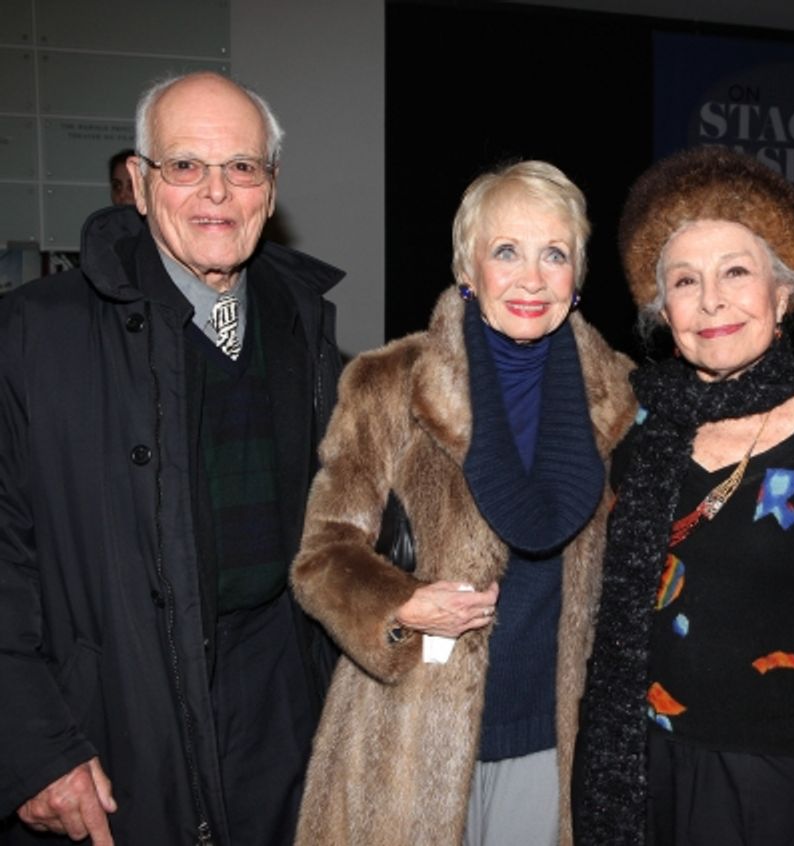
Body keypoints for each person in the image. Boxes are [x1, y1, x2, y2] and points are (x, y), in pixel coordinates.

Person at [0, 72, 343, 845]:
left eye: (241, 167)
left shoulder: (308, 330)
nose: (216, 192)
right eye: (185, 164)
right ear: (140, 181)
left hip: (283, 710)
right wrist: (33, 747)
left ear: (270, 187)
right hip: (116, 722)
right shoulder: (32, 336)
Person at [290, 160, 637, 846]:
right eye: (506, 251)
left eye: (554, 254)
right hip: (406, 734)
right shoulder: (388, 385)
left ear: (578, 275)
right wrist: (399, 605)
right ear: (467, 268)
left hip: (554, 742)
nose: (532, 278)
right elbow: (322, 557)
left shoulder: (622, 399)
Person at [573, 146, 794, 845]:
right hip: (629, 747)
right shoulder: (627, 423)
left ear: (782, 293)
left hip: (763, 761)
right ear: (662, 309)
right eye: (685, 281)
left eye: (736, 272)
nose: (711, 301)